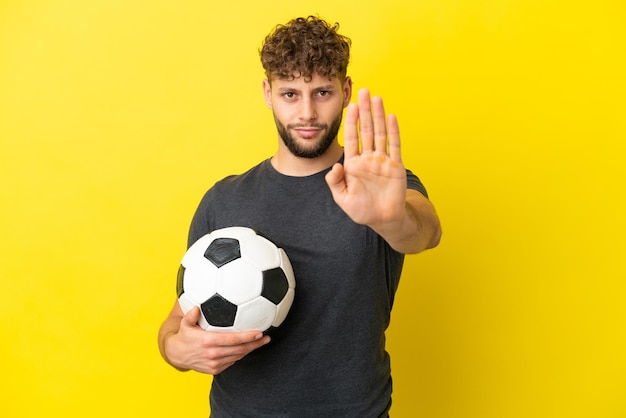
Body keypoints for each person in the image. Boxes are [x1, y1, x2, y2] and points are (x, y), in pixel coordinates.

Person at [158, 15, 441, 417]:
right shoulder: (224, 200)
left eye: (322, 92)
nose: (307, 112)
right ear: (268, 93)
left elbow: (424, 232)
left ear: (345, 92)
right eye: (290, 93)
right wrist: (176, 348)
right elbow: (176, 321)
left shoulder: (377, 186)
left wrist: (389, 218)